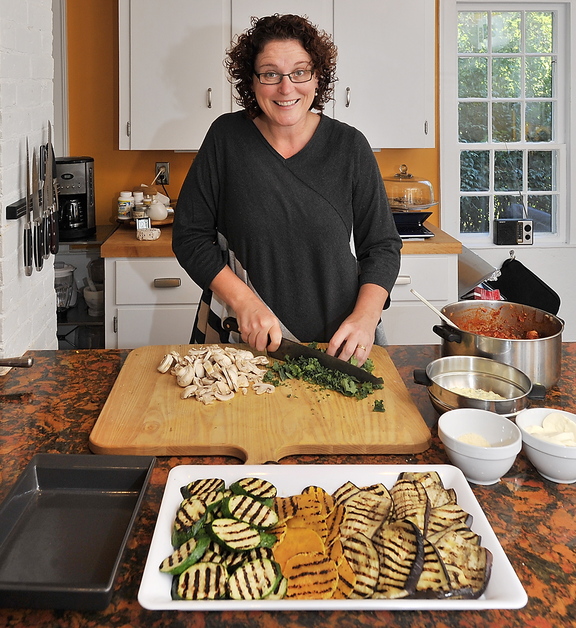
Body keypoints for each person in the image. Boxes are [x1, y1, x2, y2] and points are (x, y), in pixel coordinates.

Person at [173, 13, 402, 366]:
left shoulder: (350, 146)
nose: (286, 87)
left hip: (338, 340)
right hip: (246, 337)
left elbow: (382, 246)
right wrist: (244, 302)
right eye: (270, 74)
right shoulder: (226, 139)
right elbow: (190, 236)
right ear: (251, 81)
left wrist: (366, 317)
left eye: (299, 72)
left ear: (317, 76)